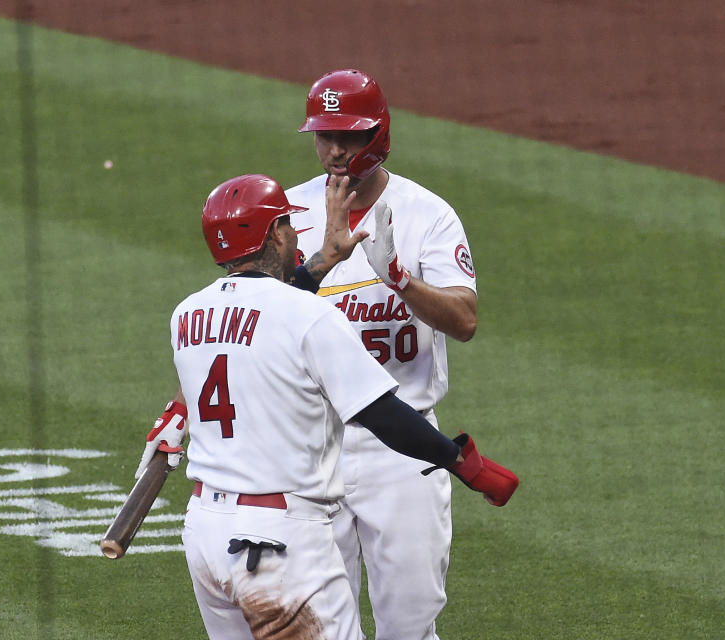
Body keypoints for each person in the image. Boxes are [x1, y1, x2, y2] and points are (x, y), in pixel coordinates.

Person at [142, 173, 516, 640]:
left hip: (207, 533)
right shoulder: (309, 315)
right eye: (287, 225)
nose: (296, 234)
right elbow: (383, 415)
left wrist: (323, 262)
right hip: (278, 537)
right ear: (275, 234)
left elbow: (269, 310)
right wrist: (464, 464)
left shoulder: (187, 314)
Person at [285, 69, 487, 640]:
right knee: (321, 628)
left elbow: (465, 321)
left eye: (348, 136)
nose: (333, 150)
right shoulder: (289, 217)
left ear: (379, 135)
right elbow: (256, 316)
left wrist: (402, 281)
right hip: (313, 450)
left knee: (409, 622)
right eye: (323, 135)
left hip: (403, 452)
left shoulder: (426, 214)